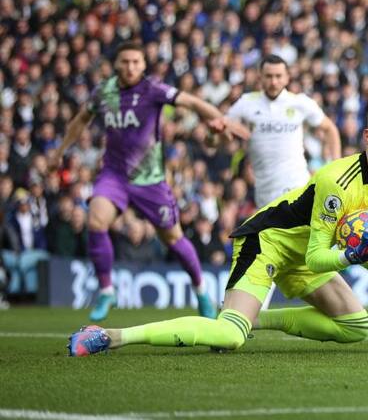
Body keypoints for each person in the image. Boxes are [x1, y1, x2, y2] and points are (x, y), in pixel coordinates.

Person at [68, 103, 368, 357]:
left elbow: (351, 243)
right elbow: (319, 257)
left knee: (356, 326)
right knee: (228, 337)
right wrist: (360, 255)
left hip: (308, 251)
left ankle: (255, 318)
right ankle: (110, 336)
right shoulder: (335, 180)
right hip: (268, 240)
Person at [50, 41, 250, 322]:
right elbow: (80, 120)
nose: (130, 67)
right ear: (116, 64)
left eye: (136, 62)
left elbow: (192, 102)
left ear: (143, 65)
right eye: (125, 61)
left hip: (150, 180)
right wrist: (59, 152)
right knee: (96, 219)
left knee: (173, 238)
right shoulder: (104, 92)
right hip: (114, 175)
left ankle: (201, 289)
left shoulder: (153, 90)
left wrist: (223, 121)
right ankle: (107, 291)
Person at [226, 54, 342, 208]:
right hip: (264, 193)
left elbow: (330, 129)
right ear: (260, 77)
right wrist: (213, 135)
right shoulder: (246, 103)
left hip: (297, 185)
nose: (274, 81)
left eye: (278, 76)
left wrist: (336, 170)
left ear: (287, 77)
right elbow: (221, 133)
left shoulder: (299, 102)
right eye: (268, 76)